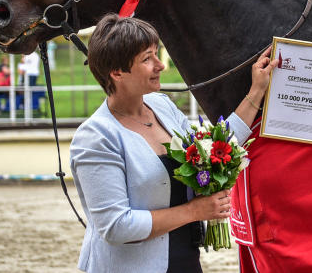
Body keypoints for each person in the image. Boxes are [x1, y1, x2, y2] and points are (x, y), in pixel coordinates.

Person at [70, 14, 276, 273]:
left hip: (185, 260)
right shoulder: (96, 137)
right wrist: (195, 211)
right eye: (147, 58)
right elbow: (116, 227)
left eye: (157, 54)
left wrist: (257, 90)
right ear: (117, 72)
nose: (160, 65)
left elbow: (215, 148)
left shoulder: (162, 106)